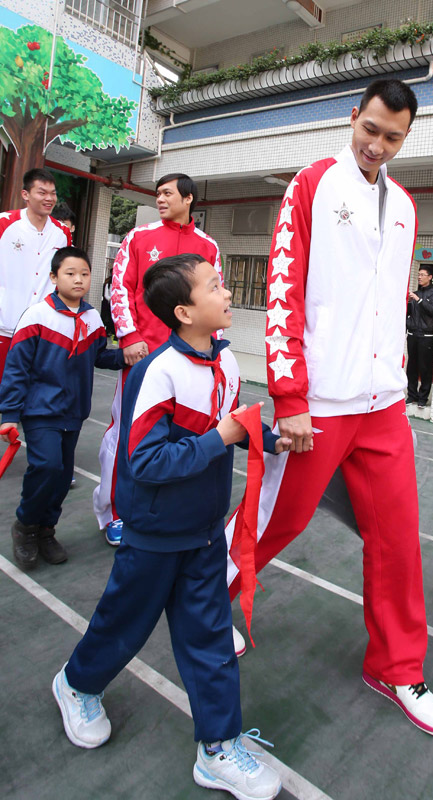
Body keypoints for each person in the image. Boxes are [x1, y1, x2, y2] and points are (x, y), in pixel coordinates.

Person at [226, 79, 433, 738]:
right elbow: (282, 291)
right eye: (371, 129)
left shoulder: (407, 206)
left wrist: (400, 377)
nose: (377, 146)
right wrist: (289, 395)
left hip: (383, 404)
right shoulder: (313, 184)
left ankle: (396, 666)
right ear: (353, 117)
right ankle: (208, 603)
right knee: (280, 520)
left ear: (407, 137)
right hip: (318, 400)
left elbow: (390, 305)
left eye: (393, 137)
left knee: (396, 541)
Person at [52, 254, 289, 800]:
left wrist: (271, 438)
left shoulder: (225, 363)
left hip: (205, 532)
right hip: (154, 535)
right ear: (185, 311)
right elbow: (147, 463)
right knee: (123, 626)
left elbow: (231, 426)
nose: (227, 291)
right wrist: (224, 438)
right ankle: (76, 683)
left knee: (210, 640)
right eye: (215, 286)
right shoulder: (158, 373)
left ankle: (218, 748)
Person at [93, 173, 221, 546]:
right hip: (143, 357)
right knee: (126, 434)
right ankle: (115, 511)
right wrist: (129, 337)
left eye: (167, 193)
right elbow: (120, 288)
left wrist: (214, 350)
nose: (160, 199)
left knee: (182, 436)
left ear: (189, 199)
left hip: (190, 359)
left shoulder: (208, 246)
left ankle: (169, 511)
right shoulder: (139, 238)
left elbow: (215, 298)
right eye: (158, 193)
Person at [0, 247, 126, 569]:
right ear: (54, 278)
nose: (79, 279)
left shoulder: (92, 317)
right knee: (47, 467)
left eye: (84, 273)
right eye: (70, 273)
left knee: (63, 475)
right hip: (40, 410)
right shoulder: (37, 315)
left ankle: (46, 530)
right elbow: (16, 369)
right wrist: (9, 415)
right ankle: (25, 527)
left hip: (74, 412)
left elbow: (100, 355)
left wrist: (129, 355)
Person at [0, 168, 71, 383]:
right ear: (26, 195)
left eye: (53, 193)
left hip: (41, 330)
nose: (49, 198)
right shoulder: (4, 223)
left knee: (31, 391)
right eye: (42, 192)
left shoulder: (62, 232)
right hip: (5, 324)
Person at [406, 265, 433, 408]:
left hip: (427, 336)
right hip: (413, 335)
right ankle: (411, 395)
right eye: (418, 274)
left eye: (422, 274)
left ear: (430, 277)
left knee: (425, 368)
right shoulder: (414, 294)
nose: (419, 277)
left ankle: (422, 398)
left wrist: (419, 301)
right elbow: (408, 314)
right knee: (411, 367)